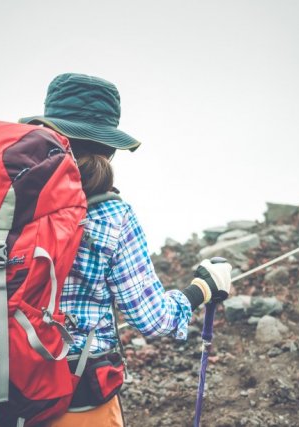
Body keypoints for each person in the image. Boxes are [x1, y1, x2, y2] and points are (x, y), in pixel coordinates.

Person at [19, 73, 232, 426]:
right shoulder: (111, 214)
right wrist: (203, 289)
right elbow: (153, 318)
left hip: (2, 389)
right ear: (108, 147)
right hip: (76, 396)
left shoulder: (5, 206)